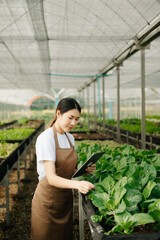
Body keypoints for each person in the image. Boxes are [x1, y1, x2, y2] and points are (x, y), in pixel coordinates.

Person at [30, 97, 95, 240]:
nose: (73, 123)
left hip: (65, 199)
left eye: (77, 119)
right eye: (70, 118)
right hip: (47, 200)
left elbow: (67, 171)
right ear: (58, 114)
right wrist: (77, 184)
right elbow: (51, 177)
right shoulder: (46, 138)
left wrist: (83, 171)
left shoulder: (69, 138)